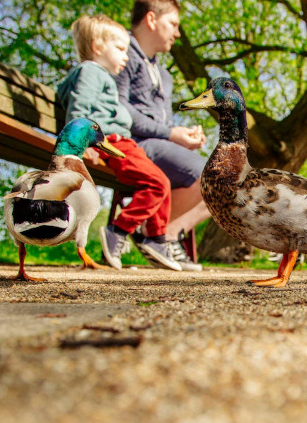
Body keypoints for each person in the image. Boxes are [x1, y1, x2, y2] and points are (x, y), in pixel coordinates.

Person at [56, 14, 183, 271]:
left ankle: (157, 238)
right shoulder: (91, 71)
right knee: (158, 183)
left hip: (122, 143)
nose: (126, 56)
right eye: (121, 49)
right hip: (111, 142)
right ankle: (119, 229)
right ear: (98, 47)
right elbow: (80, 109)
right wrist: (81, 148)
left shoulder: (101, 76)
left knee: (161, 181)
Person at [114, 0, 210, 271]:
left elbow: (165, 122)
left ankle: (164, 237)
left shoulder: (165, 75)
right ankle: (153, 236)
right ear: (152, 20)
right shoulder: (122, 55)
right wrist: (171, 133)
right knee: (213, 173)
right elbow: (120, 111)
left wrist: (186, 136)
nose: (177, 33)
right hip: (132, 146)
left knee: (224, 182)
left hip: (158, 145)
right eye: (173, 24)